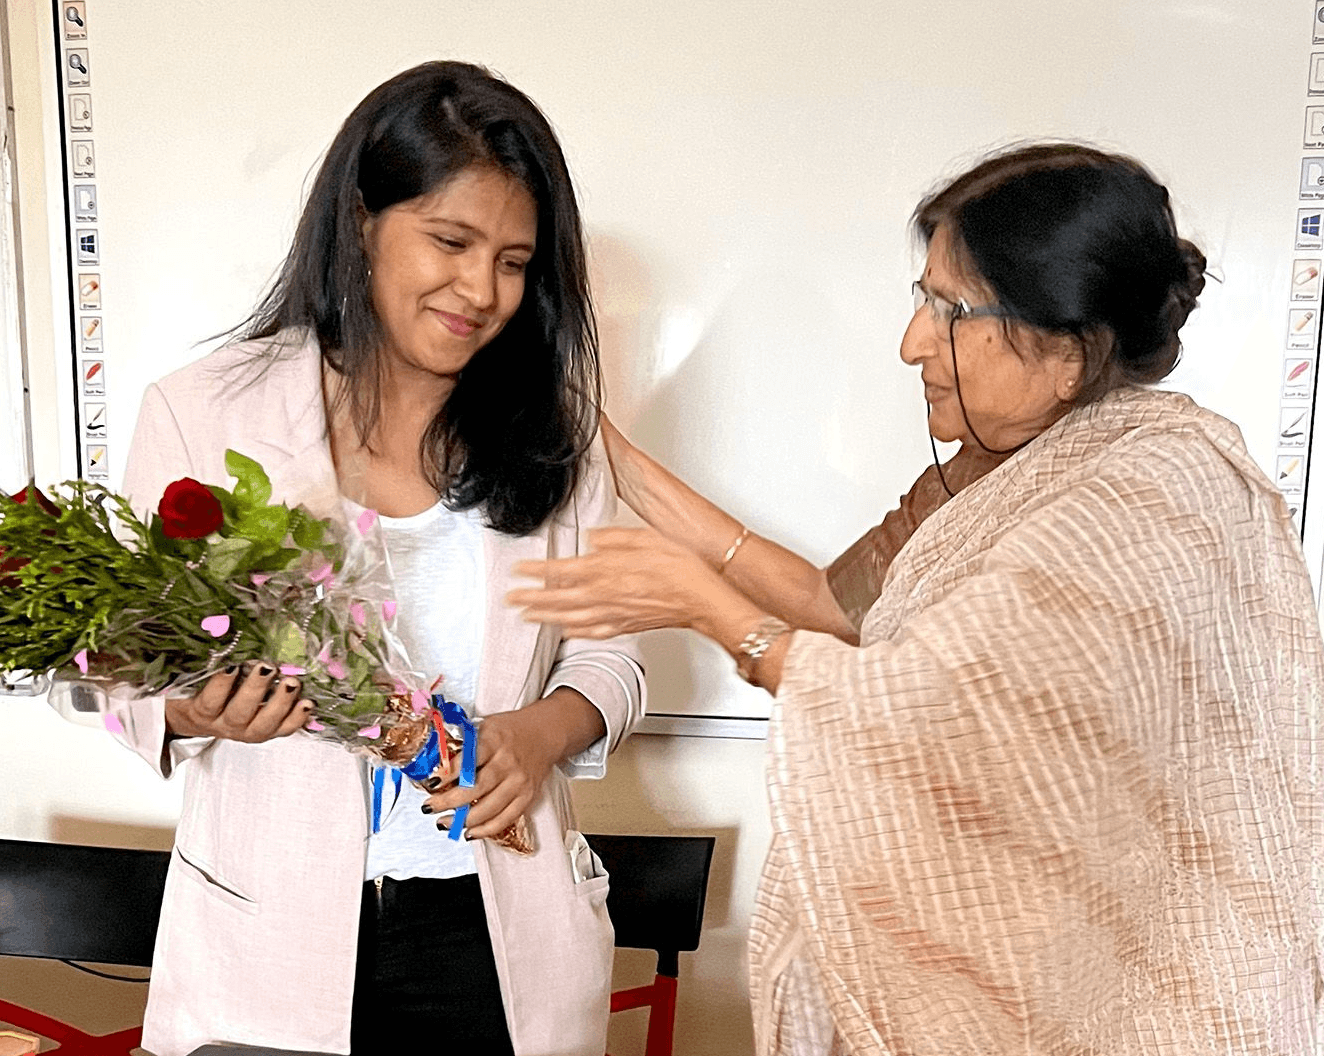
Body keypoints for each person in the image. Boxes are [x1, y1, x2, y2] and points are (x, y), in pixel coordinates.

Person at [510, 144, 1324, 1054]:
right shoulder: (983, 471)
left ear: (1067, 350)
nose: (912, 344)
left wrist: (712, 612)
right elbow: (835, 603)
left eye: (952, 311)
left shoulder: (1155, 488)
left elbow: (949, 714)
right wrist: (605, 447)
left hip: (1110, 1000)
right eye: (922, 298)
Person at [108, 61, 644, 1056]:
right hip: (268, 937)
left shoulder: (557, 432)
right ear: (361, 219)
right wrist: (188, 707)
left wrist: (535, 735)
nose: (481, 290)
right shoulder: (201, 411)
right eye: (450, 240)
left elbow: (609, 658)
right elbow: (125, 668)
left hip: (495, 933)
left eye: (516, 262)